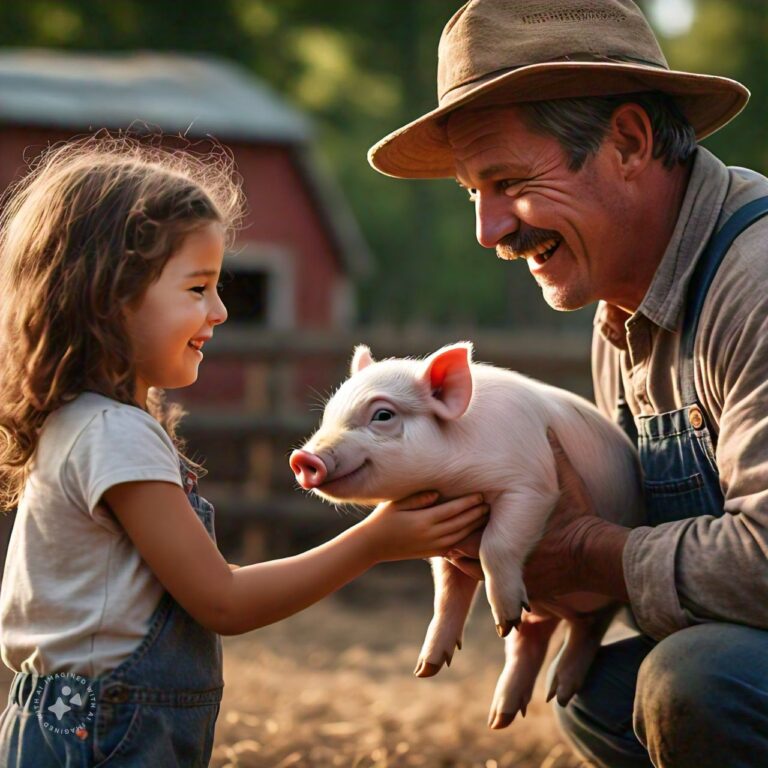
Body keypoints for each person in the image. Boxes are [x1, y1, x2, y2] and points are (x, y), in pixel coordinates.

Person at [0, 135, 489, 767]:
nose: (221, 309)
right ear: (109, 296)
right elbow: (222, 602)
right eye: (197, 288)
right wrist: (375, 541)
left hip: (70, 723)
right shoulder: (113, 435)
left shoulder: (80, 423)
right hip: (104, 731)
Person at [368, 1, 768, 766]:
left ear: (628, 141)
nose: (489, 231)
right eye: (471, 193)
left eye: (510, 181)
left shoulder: (754, 281)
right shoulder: (621, 307)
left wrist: (589, 553)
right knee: (597, 702)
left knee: (695, 682)